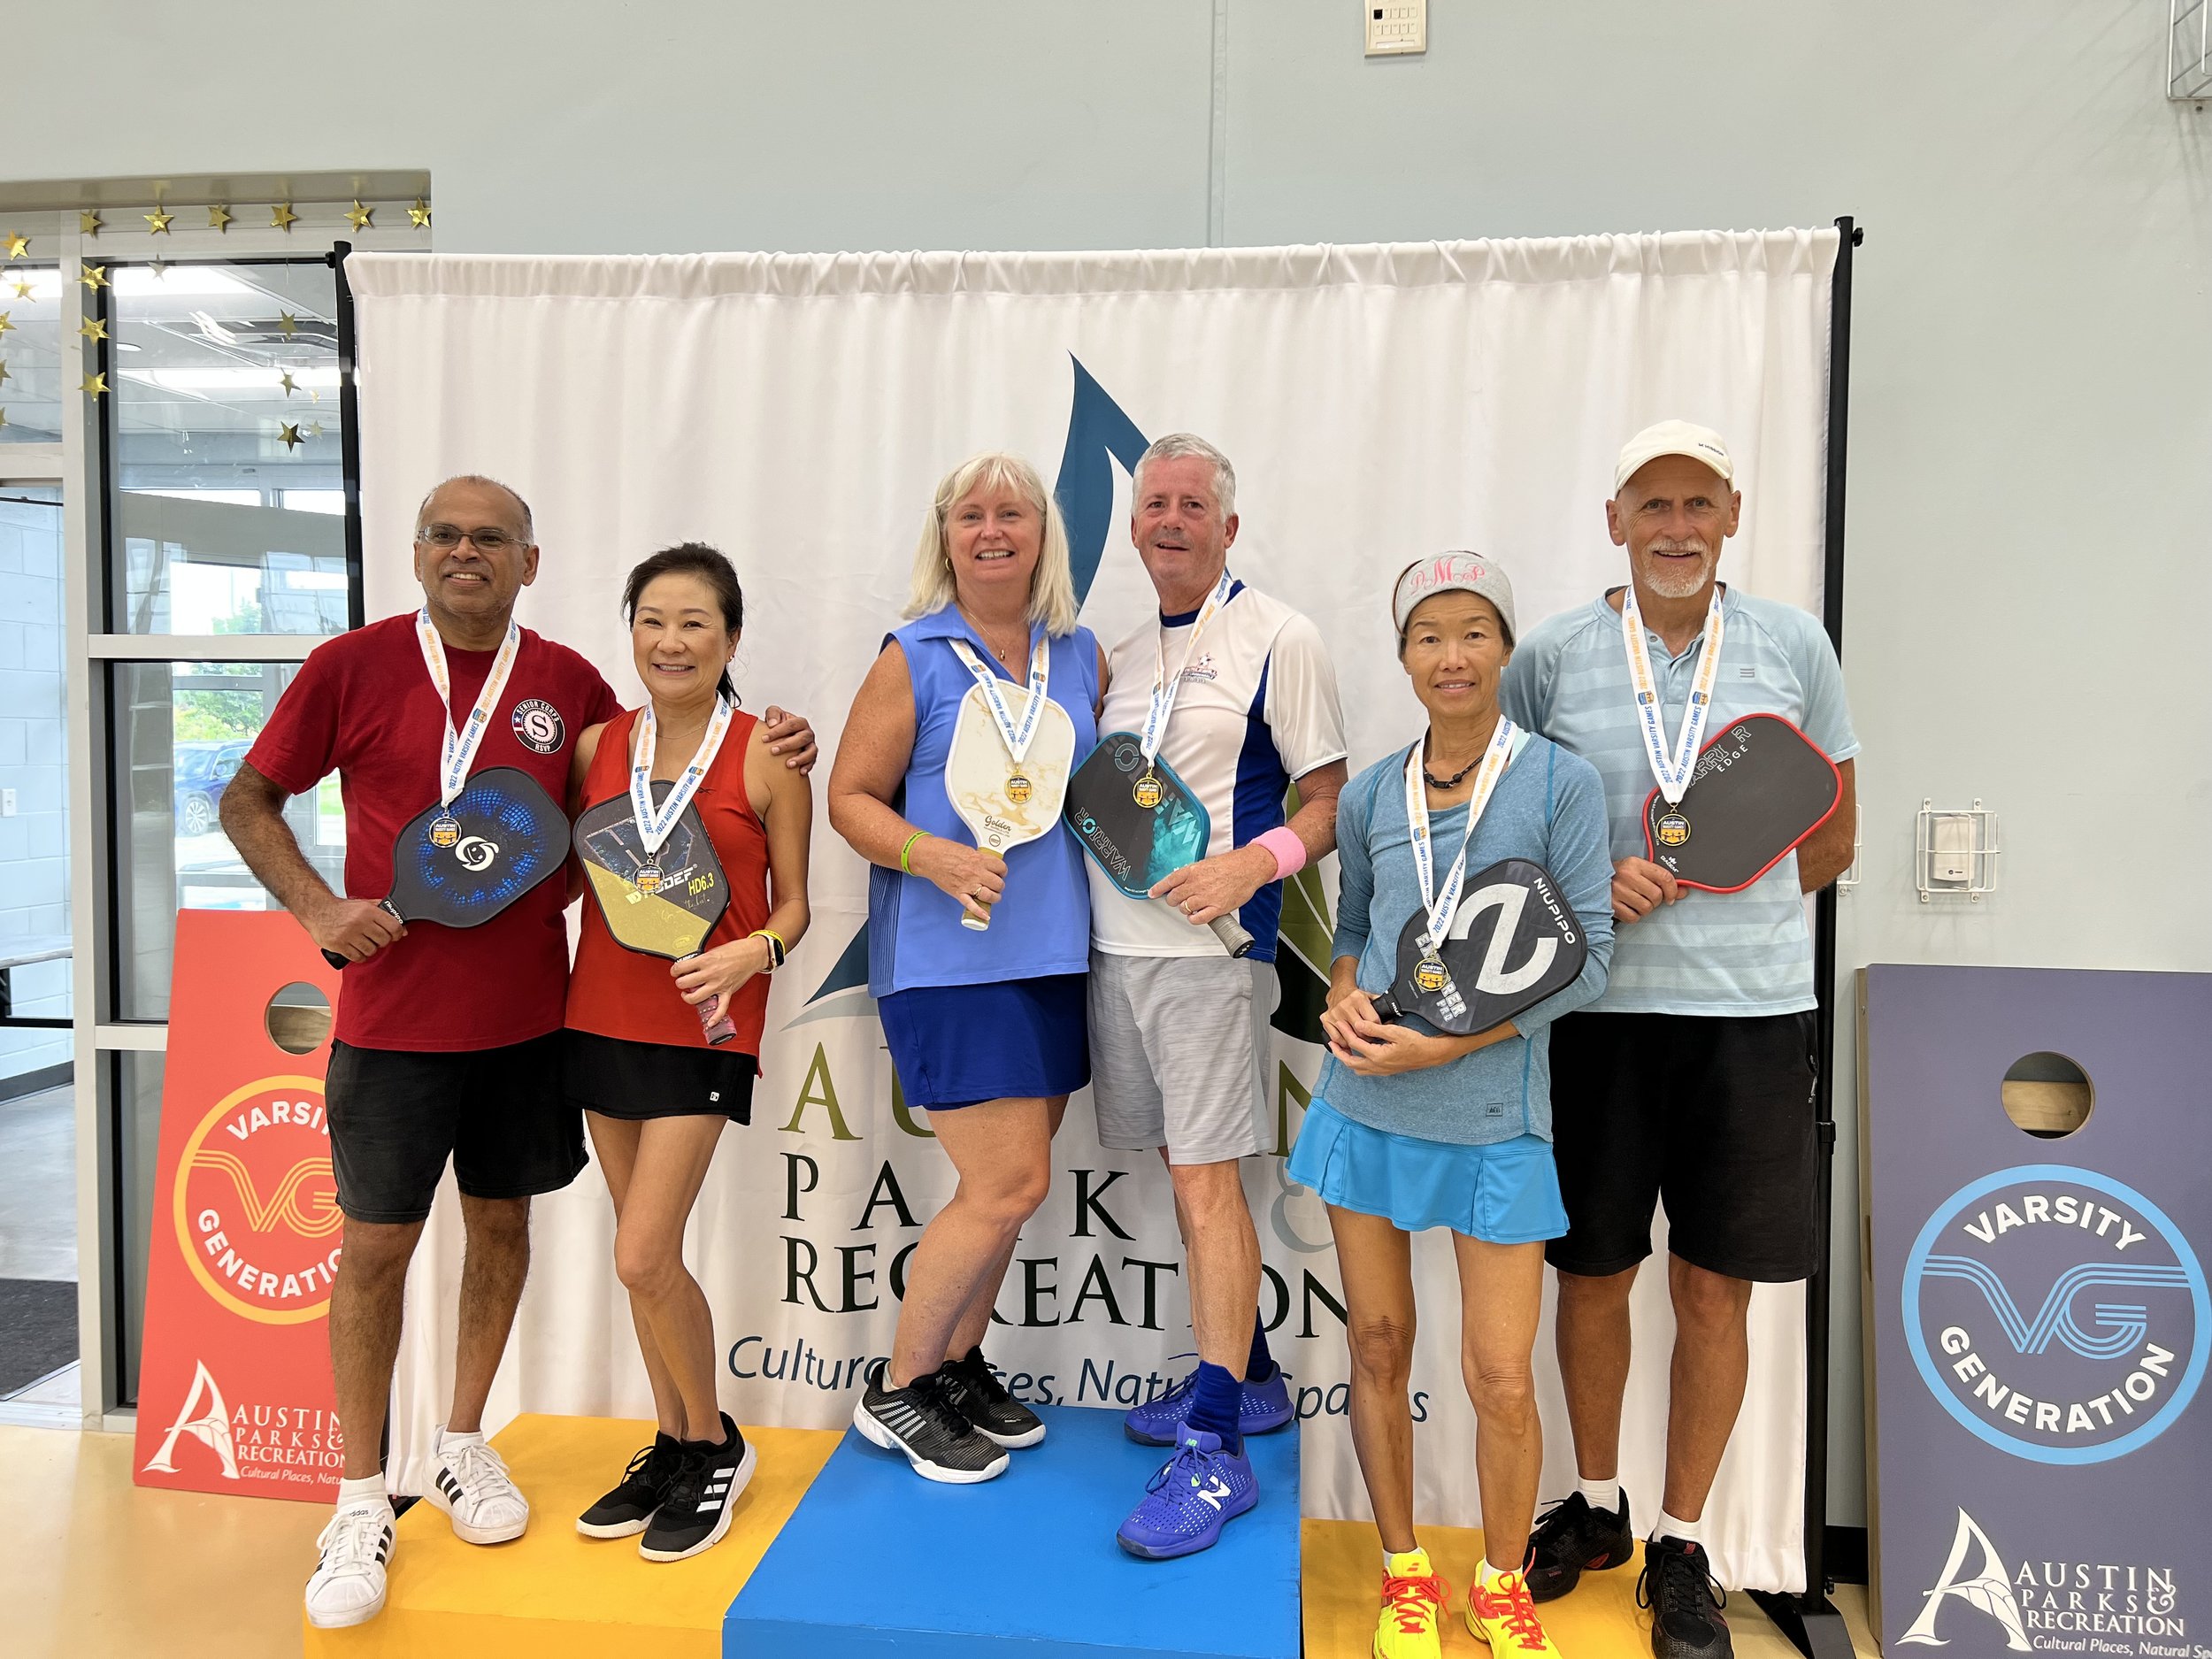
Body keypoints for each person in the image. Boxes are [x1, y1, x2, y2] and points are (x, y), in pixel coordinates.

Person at [219, 476, 817, 1629]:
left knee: (524, 1233)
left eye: (489, 537)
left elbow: (717, 793)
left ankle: (471, 1443)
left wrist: (776, 731)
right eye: (443, 533)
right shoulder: (358, 667)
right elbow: (249, 798)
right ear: (414, 551)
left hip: (543, 1022)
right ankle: (358, 1496)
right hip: (404, 1018)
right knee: (375, 1250)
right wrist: (315, 908)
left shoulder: (571, 691)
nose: (464, 551)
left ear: (529, 563)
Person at [1499, 422, 1860, 1659]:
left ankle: (1684, 1540)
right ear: (1615, 519)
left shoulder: (1791, 646)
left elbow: (1832, 837)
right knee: (1591, 1271)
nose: (1675, 525)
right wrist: (1594, 879)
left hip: (1754, 1022)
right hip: (1592, 1016)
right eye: (1652, 503)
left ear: (1733, 512)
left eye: (1697, 501)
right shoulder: (1547, 656)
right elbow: (1499, 827)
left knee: (1716, 1283)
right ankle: (1596, 1506)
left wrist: (1724, 879)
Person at [1299, 554, 1613, 1659]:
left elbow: (1589, 962)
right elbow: (1352, 929)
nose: (1451, 655)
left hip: (1490, 1117)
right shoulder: (1378, 789)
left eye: (1472, 632)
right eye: (1428, 635)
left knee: (1496, 1375)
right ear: (1403, 657)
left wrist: (1449, 1042)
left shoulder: (1559, 783)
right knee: (1378, 1343)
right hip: (1363, 1104)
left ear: (1503, 649)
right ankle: (1403, 1575)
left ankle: (1500, 1581)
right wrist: (1341, 997)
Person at [1088, 432, 1348, 1559]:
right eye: (1155, 504)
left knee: (1206, 1189)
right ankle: (1246, 1380)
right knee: (1172, 1169)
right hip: (1114, 951)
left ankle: (1214, 1456)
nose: (1172, 520)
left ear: (1228, 527)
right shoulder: (1115, 654)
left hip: (1210, 959)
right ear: (1135, 525)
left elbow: (1331, 797)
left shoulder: (1279, 635)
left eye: (1194, 504)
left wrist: (1255, 866)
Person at [828, 451, 1102, 1483]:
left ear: (1044, 533)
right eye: (970, 515)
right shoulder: (913, 654)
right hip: (949, 962)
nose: (992, 531)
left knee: (1015, 1192)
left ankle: (952, 1362)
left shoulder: (1077, 657)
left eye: (1013, 513)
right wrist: (933, 855)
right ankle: (898, 1387)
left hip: (1052, 958)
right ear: (944, 536)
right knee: (1007, 1180)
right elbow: (850, 798)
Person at [564, 543, 811, 1562]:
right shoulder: (590, 748)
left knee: (640, 1250)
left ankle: (712, 1445)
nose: (671, 640)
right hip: (598, 1015)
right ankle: (670, 1442)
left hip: (704, 1028)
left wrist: (750, 956)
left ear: (731, 639)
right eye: (652, 620)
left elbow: (796, 909)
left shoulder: (768, 752)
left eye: (695, 622)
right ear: (629, 632)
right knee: (641, 1261)